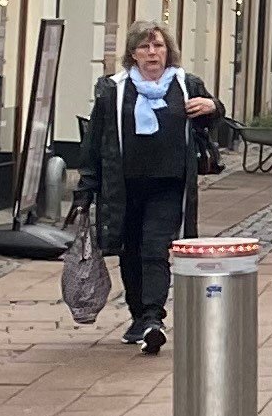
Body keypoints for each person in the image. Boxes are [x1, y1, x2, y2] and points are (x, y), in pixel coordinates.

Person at [80, 24, 223, 355]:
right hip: (124, 187)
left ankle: (153, 318)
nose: (151, 52)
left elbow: (212, 119)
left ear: (167, 50)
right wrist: (86, 187)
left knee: (154, 249)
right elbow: (95, 139)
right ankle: (137, 316)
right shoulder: (113, 89)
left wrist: (213, 107)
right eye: (144, 47)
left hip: (169, 185)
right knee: (129, 252)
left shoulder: (186, 86)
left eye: (157, 46)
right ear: (133, 53)